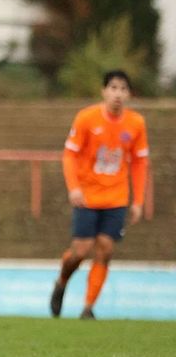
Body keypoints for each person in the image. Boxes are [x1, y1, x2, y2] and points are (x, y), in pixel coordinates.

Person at [50, 70, 149, 320]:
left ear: (129, 94)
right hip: (87, 196)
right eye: (113, 88)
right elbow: (70, 154)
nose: (118, 94)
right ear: (104, 91)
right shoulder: (86, 118)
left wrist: (137, 200)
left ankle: (88, 307)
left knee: (105, 248)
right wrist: (74, 187)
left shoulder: (136, 123)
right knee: (80, 251)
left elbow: (139, 163)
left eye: (123, 89)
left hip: (116, 197)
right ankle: (62, 281)